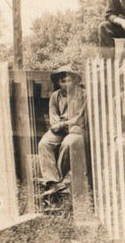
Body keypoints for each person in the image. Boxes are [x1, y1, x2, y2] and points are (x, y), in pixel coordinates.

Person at [38, 65, 88, 193]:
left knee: (68, 143)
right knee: (44, 143)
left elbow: (81, 117)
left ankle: (59, 179)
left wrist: (64, 124)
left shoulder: (83, 95)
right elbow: (53, 115)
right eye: (62, 81)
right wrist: (56, 125)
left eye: (68, 80)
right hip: (60, 128)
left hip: (77, 128)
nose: (65, 84)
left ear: (76, 80)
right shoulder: (55, 96)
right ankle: (52, 181)